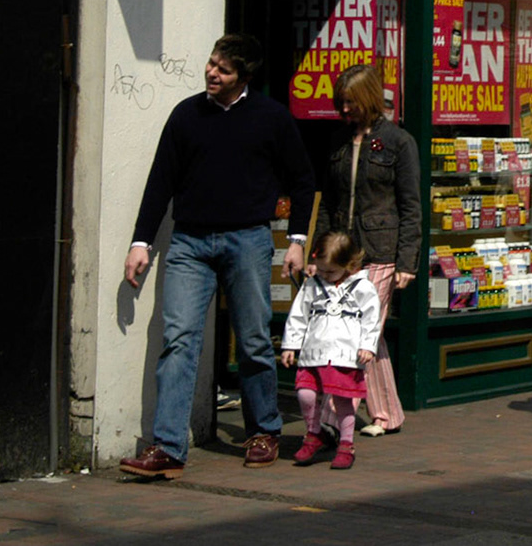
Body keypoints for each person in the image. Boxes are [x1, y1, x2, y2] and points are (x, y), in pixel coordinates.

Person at [120, 35, 316, 479]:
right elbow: (160, 182)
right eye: (211, 64)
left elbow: (303, 180)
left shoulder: (271, 118)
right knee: (179, 340)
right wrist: (141, 243)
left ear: (244, 78)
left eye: (223, 70)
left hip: (247, 239)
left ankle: (264, 430)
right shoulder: (186, 115)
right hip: (189, 242)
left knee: (252, 339)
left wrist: (298, 240)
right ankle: (168, 445)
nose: (212, 74)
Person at [314, 63, 419, 440]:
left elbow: (410, 206)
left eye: (350, 103)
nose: (344, 111)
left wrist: (407, 261)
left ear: (368, 99)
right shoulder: (337, 142)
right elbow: (327, 201)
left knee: (355, 331)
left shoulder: (399, 142)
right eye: (340, 103)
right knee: (368, 336)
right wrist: (320, 252)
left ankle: (328, 418)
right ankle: (388, 412)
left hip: (381, 252)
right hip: (344, 251)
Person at [280, 231, 380, 470]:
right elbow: (298, 315)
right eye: (321, 269)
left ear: (349, 265)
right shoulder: (312, 285)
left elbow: (371, 319)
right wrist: (290, 345)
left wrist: (368, 345)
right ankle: (314, 433)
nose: (324, 275)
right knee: (305, 393)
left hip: (346, 354)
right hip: (314, 351)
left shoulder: (363, 287)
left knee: (343, 400)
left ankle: (346, 444)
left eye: (331, 271)